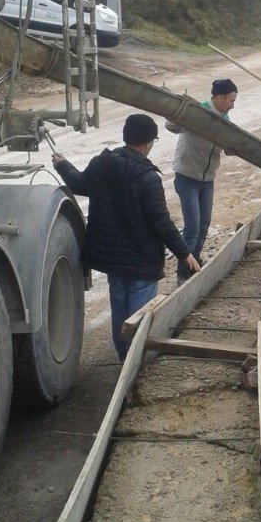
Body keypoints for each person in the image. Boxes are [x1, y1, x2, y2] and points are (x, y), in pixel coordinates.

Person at [52, 113, 200, 362]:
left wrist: (63, 165)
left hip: (113, 262)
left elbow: (79, 184)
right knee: (140, 317)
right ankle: (137, 366)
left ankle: (124, 360)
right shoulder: (147, 178)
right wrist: (185, 254)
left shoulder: (102, 164)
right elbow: (162, 223)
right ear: (146, 143)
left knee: (120, 315)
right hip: (142, 263)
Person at [165, 78, 238, 284]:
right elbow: (171, 125)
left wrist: (235, 147)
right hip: (187, 177)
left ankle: (194, 261)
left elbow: (228, 147)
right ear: (220, 97)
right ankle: (183, 272)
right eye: (231, 100)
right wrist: (179, 110)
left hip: (208, 179)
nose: (233, 105)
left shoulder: (225, 119)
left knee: (204, 225)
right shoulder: (198, 111)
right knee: (192, 227)